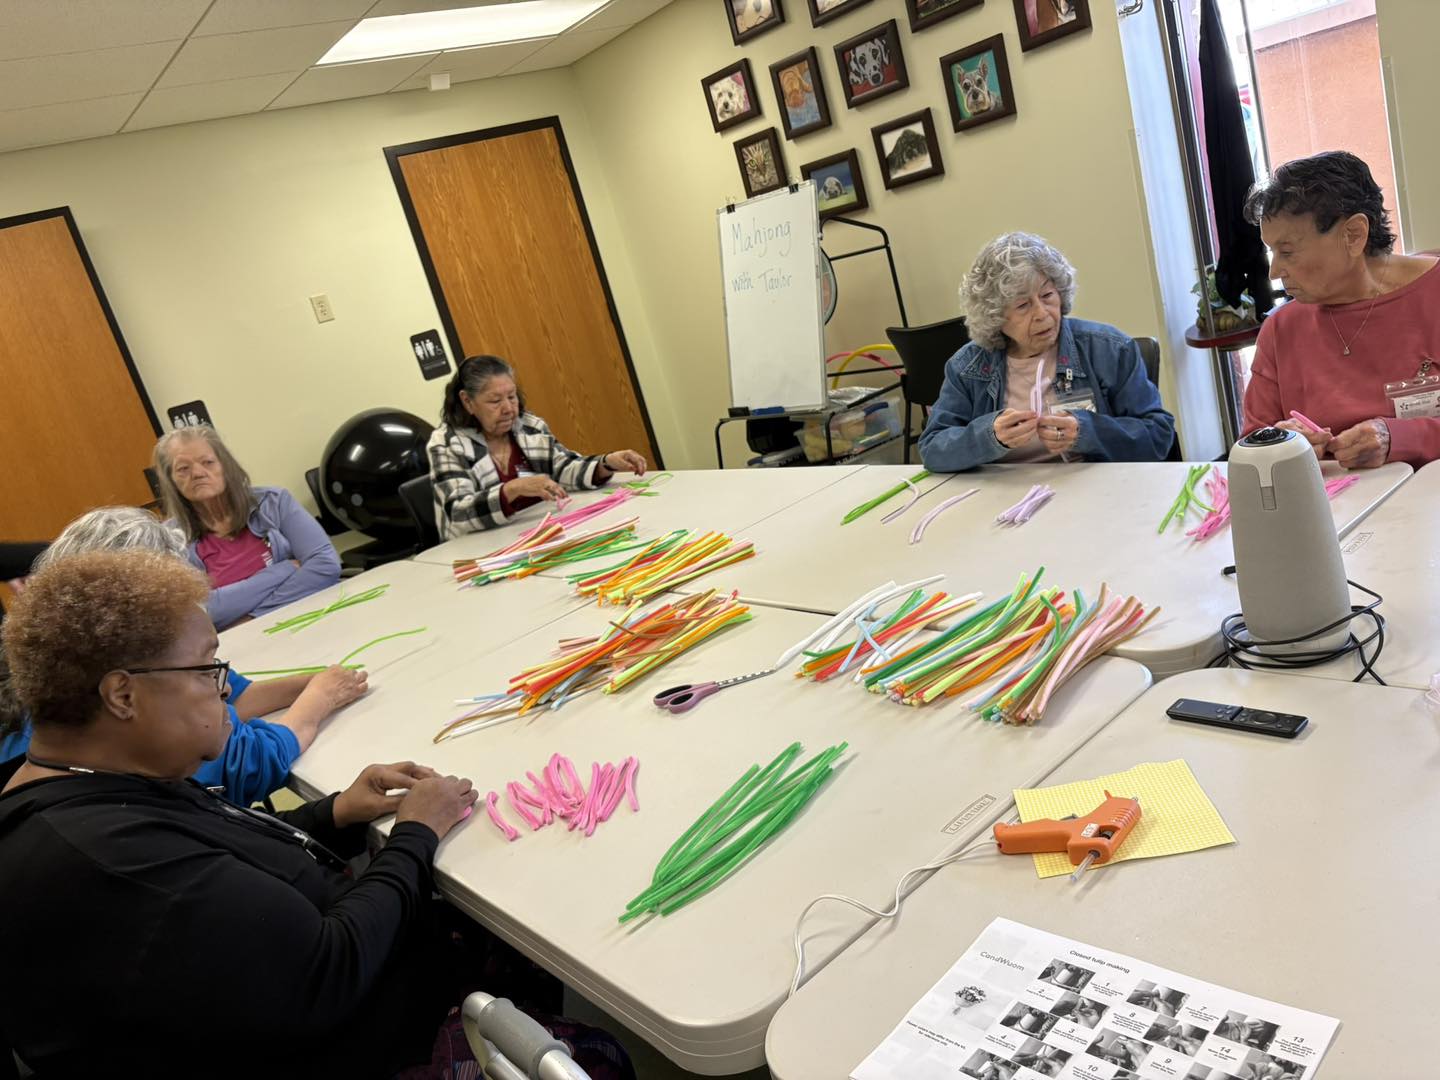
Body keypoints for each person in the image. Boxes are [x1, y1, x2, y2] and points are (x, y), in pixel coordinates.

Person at [0, 551, 630, 1078]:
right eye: (208, 670)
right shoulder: (108, 862)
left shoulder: (88, 784)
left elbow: (219, 855)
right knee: (599, 1054)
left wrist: (336, 814)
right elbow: (331, 966)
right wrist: (415, 833)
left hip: (323, 995)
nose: (225, 692)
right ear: (123, 694)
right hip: (353, 1036)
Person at [0, 508, 364, 805]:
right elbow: (247, 764)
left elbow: (234, 694)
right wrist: (319, 699)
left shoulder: (70, 663)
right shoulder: (140, 702)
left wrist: (319, 682)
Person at [1243, 151, 1440, 468]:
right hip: (1338, 498)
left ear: (1354, 235)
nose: (1274, 271)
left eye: (1288, 252)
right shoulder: (1282, 330)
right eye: (1272, 252)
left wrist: (1399, 438)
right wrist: (1283, 444)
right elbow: (1251, 446)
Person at [919, 232, 1175, 471]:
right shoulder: (968, 367)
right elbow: (933, 449)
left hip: (1091, 486)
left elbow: (1158, 437)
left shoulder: (1109, 349)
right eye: (1023, 305)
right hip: (1006, 495)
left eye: (1047, 295)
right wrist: (990, 436)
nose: (1042, 313)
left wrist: (1087, 431)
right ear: (995, 317)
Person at [429, 355, 648, 539]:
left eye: (512, 397)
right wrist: (512, 489)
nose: (508, 409)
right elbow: (458, 513)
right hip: (484, 549)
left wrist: (605, 463)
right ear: (467, 401)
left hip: (540, 535)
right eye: (495, 401)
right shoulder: (447, 444)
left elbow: (563, 468)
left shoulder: (528, 426)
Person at [155, 424, 340, 629]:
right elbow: (196, 613)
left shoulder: (274, 502)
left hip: (313, 618)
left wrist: (254, 618)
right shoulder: (168, 540)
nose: (198, 473)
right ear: (171, 481)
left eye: (208, 462)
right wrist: (283, 571)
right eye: (183, 469)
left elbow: (325, 564)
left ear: (225, 466)